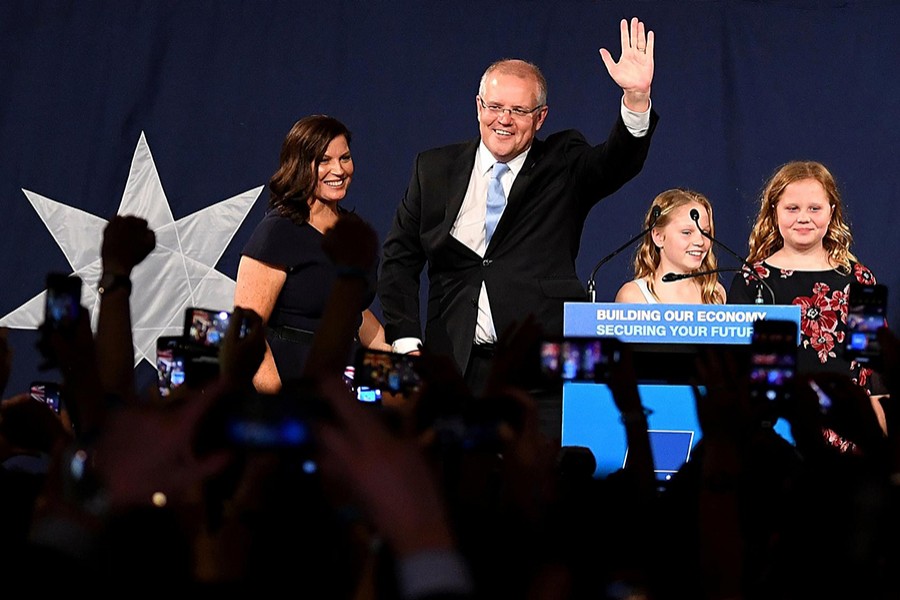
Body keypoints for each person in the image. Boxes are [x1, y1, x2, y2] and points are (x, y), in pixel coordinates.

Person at [378, 17, 658, 401]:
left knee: (541, 464)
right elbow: (398, 260)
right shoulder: (434, 169)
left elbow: (615, 162)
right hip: (453, 367)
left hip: (540, 373)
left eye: (519, 111)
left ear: (541, 117)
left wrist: (637, 99)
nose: (503, 120)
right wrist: (407, 342)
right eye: (494, 106)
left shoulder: (562, 162)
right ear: (478, 107)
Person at [728, 160, 887, 443]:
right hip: (776, 437)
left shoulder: (859, 278)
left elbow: (874, 370)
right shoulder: (752, 280)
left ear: (832, 212)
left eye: (815, 208)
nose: (804, 218)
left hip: (848, 433)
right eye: (792, 208)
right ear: (774, 211)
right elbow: (738, 369)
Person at [234, 115, 389, 393]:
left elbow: (355, 311)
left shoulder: (353, 231)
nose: (338, 170)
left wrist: (390, 353)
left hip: (346, 389)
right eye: (324, 161)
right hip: (292, 387)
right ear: (300, 166)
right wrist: (280, 408)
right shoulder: (278, 232)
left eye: (344, 158)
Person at [615, 188, 726, 304]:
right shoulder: (633, 296)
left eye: (705, 233)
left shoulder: (715, 293)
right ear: (658, 237)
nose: (700, 241)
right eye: (687, 232)